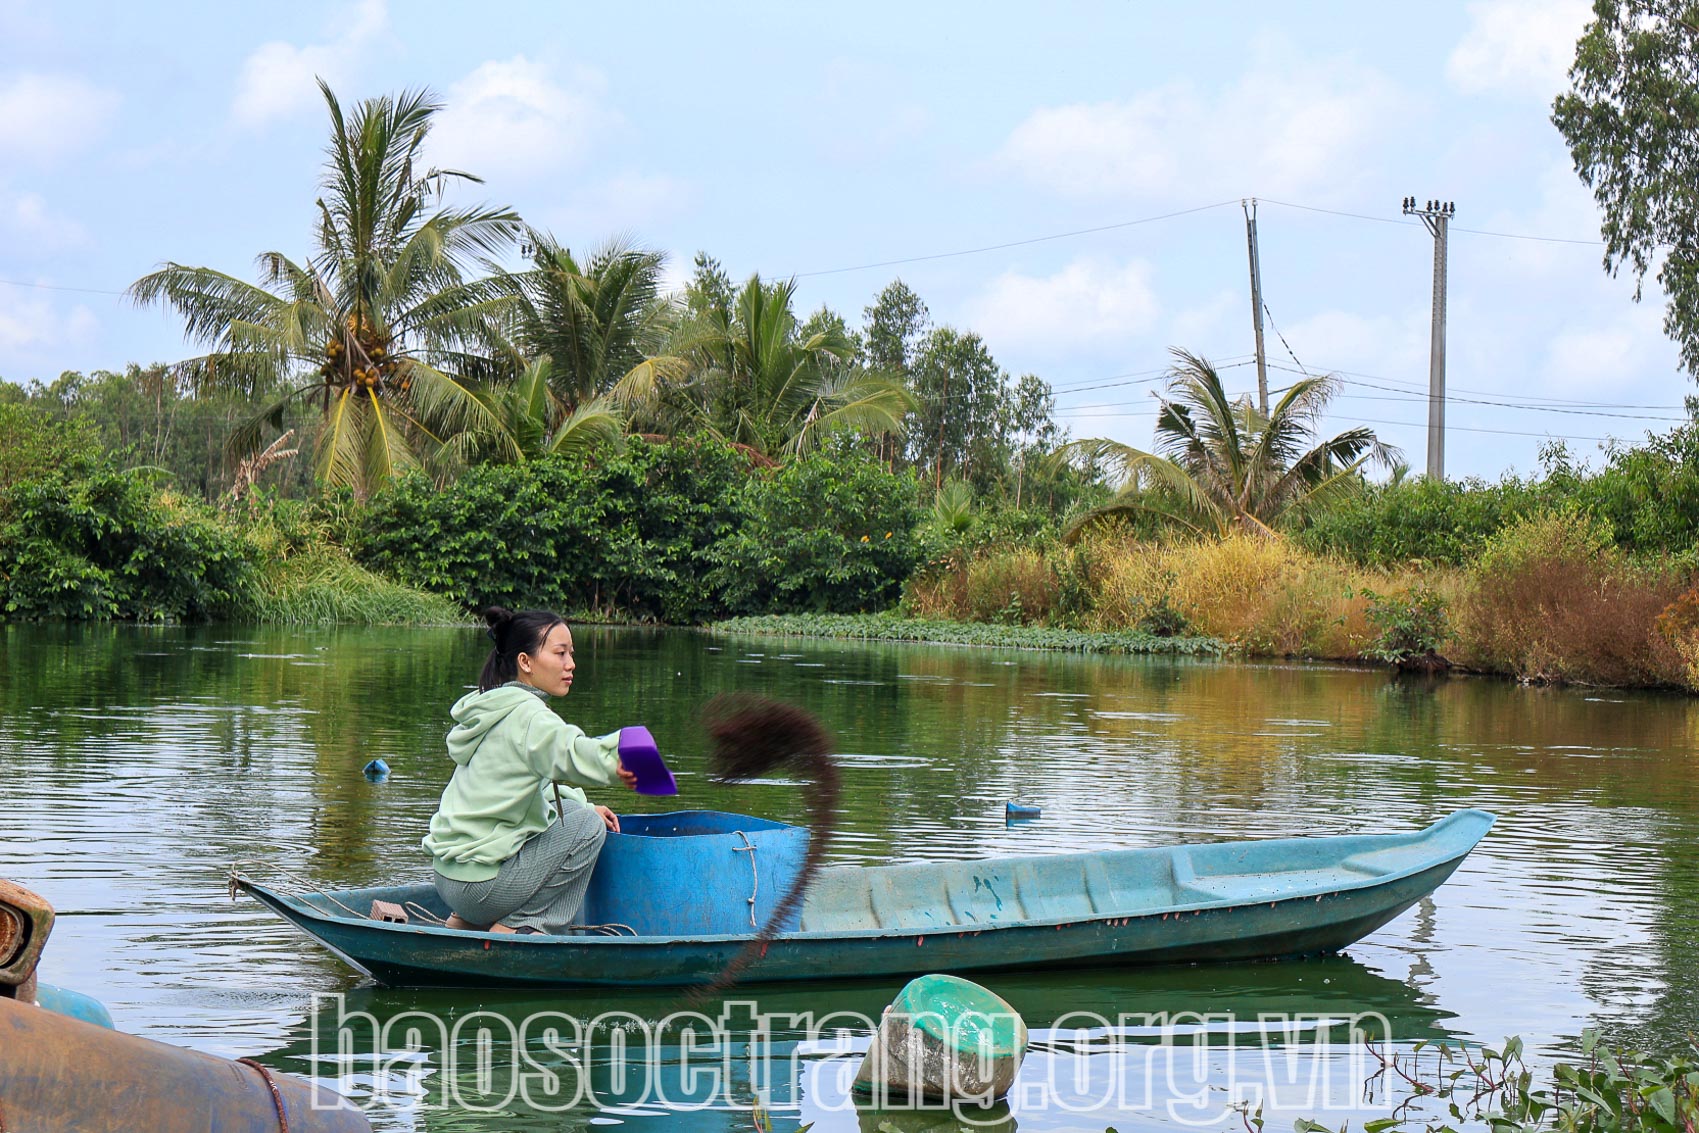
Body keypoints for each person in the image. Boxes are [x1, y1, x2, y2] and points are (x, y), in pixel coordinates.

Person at [422, 607, 637, 934]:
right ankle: (522, 926)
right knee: (588, 827)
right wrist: (615, 760)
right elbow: (571, 750)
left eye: (571, 654)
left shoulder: (493, 707)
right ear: (525, 662)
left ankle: (465, 921)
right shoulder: (531, 717)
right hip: (480, 888)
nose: (571, 664)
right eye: (560, 653)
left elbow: (531, 785)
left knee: (579, 814)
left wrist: (581, 802)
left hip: (449, 880)